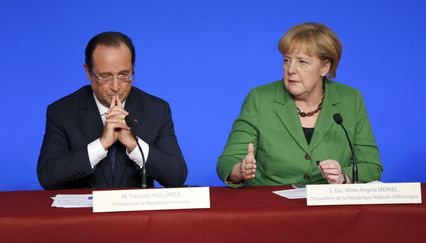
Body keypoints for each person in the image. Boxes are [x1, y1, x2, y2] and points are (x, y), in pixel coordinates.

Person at [217, 22, 383, 187]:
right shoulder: (260, 98)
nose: (290, 70)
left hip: (329, 207)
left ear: (325, 67)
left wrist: (343, 177)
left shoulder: (350, 99)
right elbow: (227, 162)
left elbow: (371, 165)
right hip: (272, 205)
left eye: (302, 62)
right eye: (287, 60)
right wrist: (239, 170)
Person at [37, 32, 187, 189]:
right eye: (106, 76)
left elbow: (176, 176)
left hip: (136, 212)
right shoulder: (61, 111)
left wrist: (133, 144)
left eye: (124, 75)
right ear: (88, 72)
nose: (116, 87)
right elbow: (48, 177)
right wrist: (101, 144)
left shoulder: (156, 110)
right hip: (84, 212)